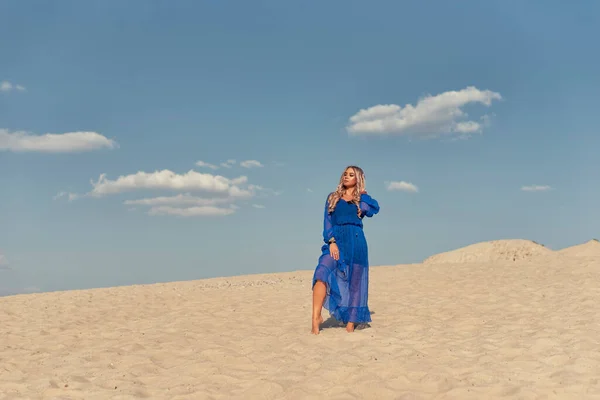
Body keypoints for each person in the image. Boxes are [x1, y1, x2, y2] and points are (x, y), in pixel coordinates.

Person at [311, 165, 380, 334]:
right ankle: (315, 317)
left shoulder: (361, 200)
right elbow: (327, 221)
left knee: (355, 283)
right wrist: (331, 241)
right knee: (321, 272)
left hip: (356, 243)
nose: (346, 177)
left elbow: (370, 209)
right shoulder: (333, 198)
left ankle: (350, 323)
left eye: (351, 175)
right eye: (345, 174)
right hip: (337, 242)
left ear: (358, 179)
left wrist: (362, 193)